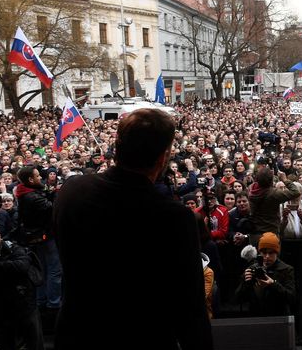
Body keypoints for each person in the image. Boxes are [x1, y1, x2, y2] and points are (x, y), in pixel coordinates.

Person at [54, 109, 212, 350]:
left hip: (78, 333)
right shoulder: (174, 217)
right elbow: (190, 307)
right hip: (143, 338)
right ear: (163, 157)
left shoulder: (72, 191)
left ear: (117, 147)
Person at [0, 226, 44, 350]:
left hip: (23, 303)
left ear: (0, 236)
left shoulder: (14, 249)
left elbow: (22, 265)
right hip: (2, 308)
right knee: (5, 342)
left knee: (33, 341)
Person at [14, 165, 61, 317]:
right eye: (37, 176)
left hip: (36, 237)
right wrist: (56, 194)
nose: (40, 177)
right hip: (45, 237)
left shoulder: (25, 192)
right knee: (54, 270)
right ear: (30, 179)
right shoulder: (32, 197)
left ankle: (41, 301)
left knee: (43, 270)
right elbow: (52, 209)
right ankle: (53, 304)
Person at [235, 232, 296, 316]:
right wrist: (245, 283)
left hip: (278, 317)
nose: (267, 256)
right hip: (256, 317)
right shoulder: (252, 269)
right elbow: (237, 299)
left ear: (276, 253)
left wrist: (273, 284)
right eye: (264, 253)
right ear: (259, 253)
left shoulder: (286, 270)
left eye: (271, 253)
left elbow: (292, 298)